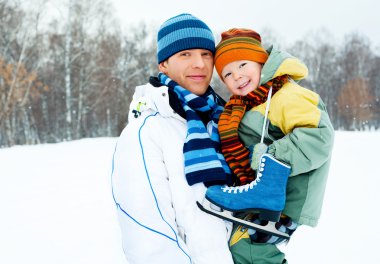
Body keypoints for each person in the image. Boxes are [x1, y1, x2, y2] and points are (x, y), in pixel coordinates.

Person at [110, 14, 234, 264]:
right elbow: (149, 239)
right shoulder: (145, 133)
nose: (199, 63)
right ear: (163, 64)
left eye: (206, 54)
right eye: (185, 54)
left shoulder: (225, 122)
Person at [203, 28, 335, 263]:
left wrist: (270, 158)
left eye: (243, 65)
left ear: (261, 62)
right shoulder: (245, 106)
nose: (237, 76)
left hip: (290, 198)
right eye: (228, 74)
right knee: (240, 244)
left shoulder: (286, 95)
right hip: (265, 196)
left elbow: (320, 135)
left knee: (249, 248)